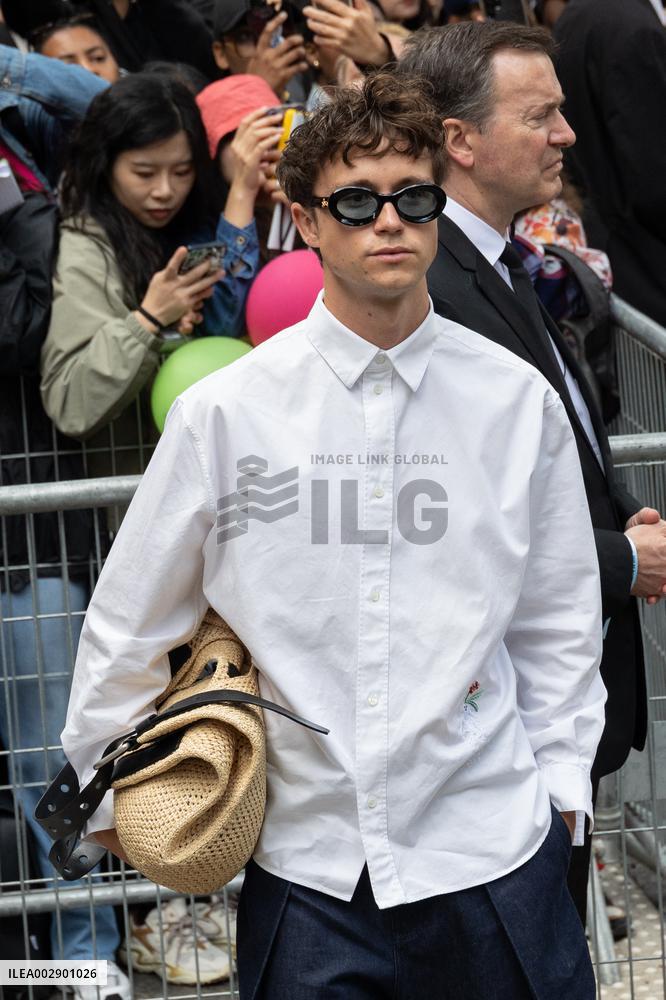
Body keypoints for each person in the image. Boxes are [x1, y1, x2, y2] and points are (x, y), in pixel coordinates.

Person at [57, 71, 605, 999]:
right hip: (310, 871)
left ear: (439, 207)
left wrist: (563, 798)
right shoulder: (225, 414)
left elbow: (555, 622)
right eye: (356, 201)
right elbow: (132, 614)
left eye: (413, 197)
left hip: (495, 848)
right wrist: (109, 785)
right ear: (307, 222)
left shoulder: (518, 403)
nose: (387, 220)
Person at [399, 18, 666, 921]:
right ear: (459, 140)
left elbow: (560, 445)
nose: (568, 134)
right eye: (540, 115)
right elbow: (449, 518)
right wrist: (622, 562)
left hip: (552, 711)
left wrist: (626, 512)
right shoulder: (429, 283)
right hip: (493, 725)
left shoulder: (501, 261)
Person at [39, 74, 259, 460]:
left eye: (182, 172)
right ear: (106, 165)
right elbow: (71, 402)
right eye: (144, 173)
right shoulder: (88, 246)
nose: (165, 191)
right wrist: (149, 318)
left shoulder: (199, 223)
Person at [553, 0, 666, 327]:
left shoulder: (579, 14)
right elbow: (653, 177)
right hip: (642, 260)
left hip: (611, 245)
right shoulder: (633, 27)